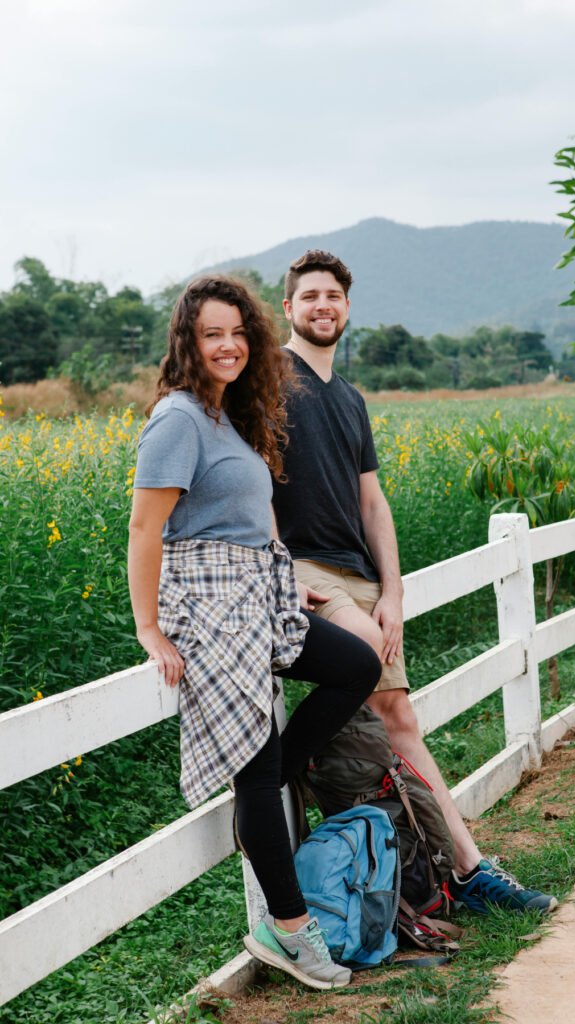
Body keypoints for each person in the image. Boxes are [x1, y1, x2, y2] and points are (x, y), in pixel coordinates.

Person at [272, 250, 557, 915]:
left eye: (333, 297)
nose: (322, 306)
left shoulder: (349, 397)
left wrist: (393, 592)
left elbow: (373, 504)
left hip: (362, 574)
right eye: (309, 296)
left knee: (399, 719)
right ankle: (283, 771)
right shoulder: (268, 382)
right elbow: (247, 482)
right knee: (376, 695)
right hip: (308, 570)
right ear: (287, 308)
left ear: (347, 308)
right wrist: (277, 566)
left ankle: (460, 869)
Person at [128, 274, 382, 990]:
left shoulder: (226, 415)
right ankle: (290, 931)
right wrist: (149, 625)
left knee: (352, 665)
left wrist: (277, 576)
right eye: (213, 333)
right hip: (209, 606)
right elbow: (146, 528)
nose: (229, 345)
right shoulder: (177, 418)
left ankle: (285, 768)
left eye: (238, 332)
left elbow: (243, 513)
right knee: (254, 772)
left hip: (257, 593)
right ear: (187, 339)